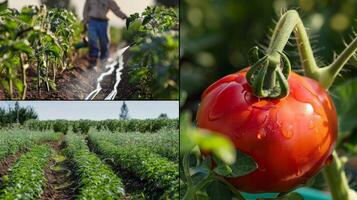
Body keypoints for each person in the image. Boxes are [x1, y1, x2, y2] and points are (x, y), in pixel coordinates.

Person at [83, 0, 127, 67]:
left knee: (104, 42)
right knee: (92, 39)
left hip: (103, 22)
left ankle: (104, 60)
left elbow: (116, 10)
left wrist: (124, 17)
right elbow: (86, 9)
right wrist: (85, 21)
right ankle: (93, 60)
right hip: (92, 21)